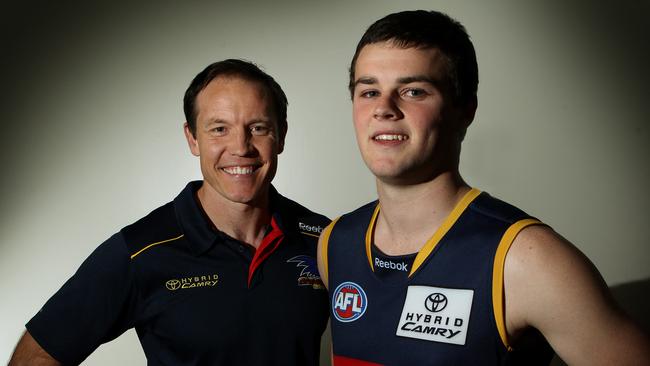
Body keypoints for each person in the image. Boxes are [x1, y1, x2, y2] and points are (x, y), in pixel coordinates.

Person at [317, 10, 650, 366]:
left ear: (465, 110)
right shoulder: (334, 242)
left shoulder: (525, 258)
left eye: (413, 91)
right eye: (368, 91)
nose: (383, 108)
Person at [10, 59, 330, 366]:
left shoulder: (326, 241)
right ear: (192, 138)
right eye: (219, 129)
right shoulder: (142, 251)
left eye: (258, 128)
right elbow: (35, 357)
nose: (240, 147)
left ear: (282, 136)